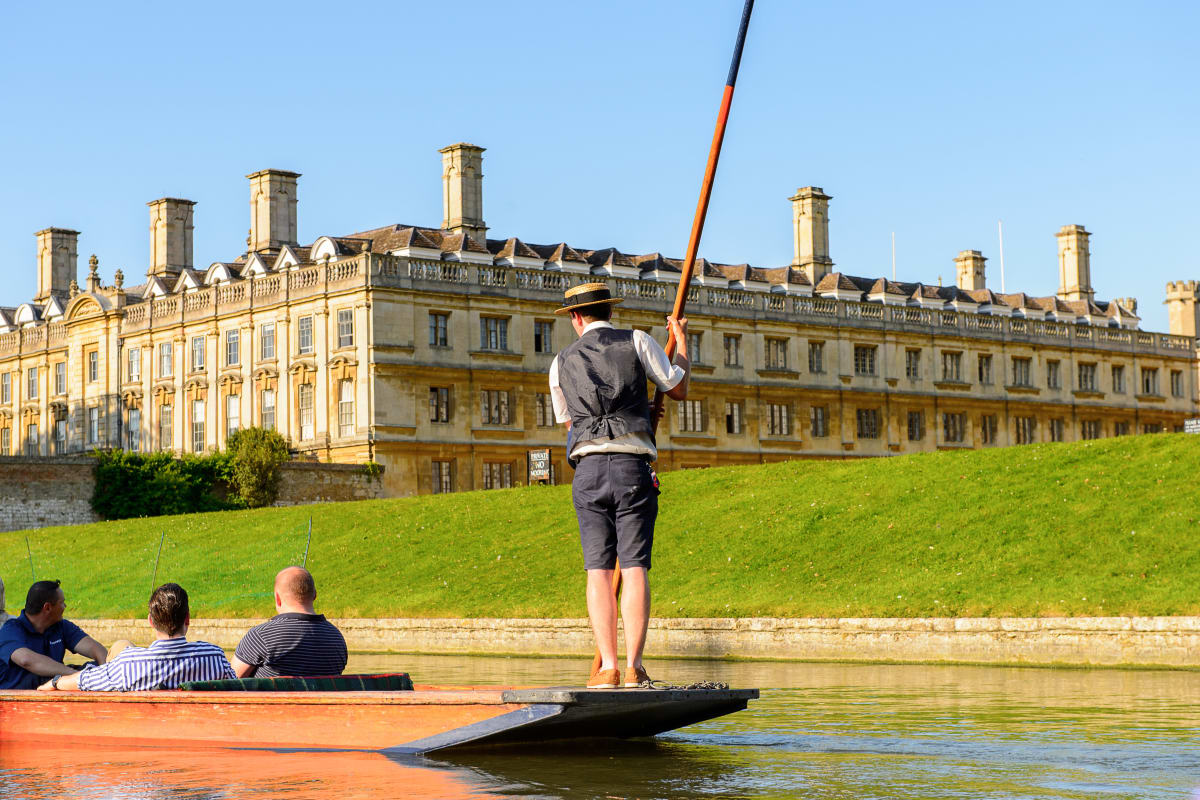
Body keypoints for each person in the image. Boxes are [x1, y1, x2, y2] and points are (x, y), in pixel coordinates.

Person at [548, 282, 690, 689]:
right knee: (634, 567)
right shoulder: (639, 341)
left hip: (588, 472)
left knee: (597, 571)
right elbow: (678, 387)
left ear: (575, 317)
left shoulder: (559, 362)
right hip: (631, 467)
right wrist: (681, 341)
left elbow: (572, 422)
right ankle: (634, 667)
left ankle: (607, 666)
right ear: (609, 311)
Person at [38, 582, 234, 691]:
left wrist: (54, 682)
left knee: (121, 646)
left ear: (150, 621)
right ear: (188, 619)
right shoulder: (214, 655)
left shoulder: (129, 664)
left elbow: (86, 680)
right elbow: (237, 689)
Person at [231, 566, 347, 678]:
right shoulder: (336, 638)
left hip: (276, 698)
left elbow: (231, 681)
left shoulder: (261, 636)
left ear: (278, 598)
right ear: (315, 595)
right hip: (323, 698)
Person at [0, 580, 108, 690]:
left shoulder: (62, 626)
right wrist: (76, 676)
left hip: (52, 687)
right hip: (20, 695)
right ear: (47, 608)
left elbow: (97, 650)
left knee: (94, 668)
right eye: (62, 602)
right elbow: (26, 660)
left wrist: (105, 672)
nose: (65, 606)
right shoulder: (10, 630)